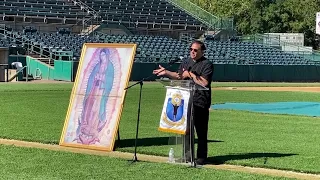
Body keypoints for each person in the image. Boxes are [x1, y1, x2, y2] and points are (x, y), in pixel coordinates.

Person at [153, 40, 214, 165]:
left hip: (200, 102)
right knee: (186, 130)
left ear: (202, 51)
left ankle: (201, 158)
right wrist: (166, 72)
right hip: (185, 100)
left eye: (195, 50)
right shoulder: (186, 62)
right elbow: (179, 76)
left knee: (201, 131)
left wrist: (190, 74)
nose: (192, 51)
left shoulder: (207, 64)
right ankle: (187, 156)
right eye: (191, 49)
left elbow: (204, 82)